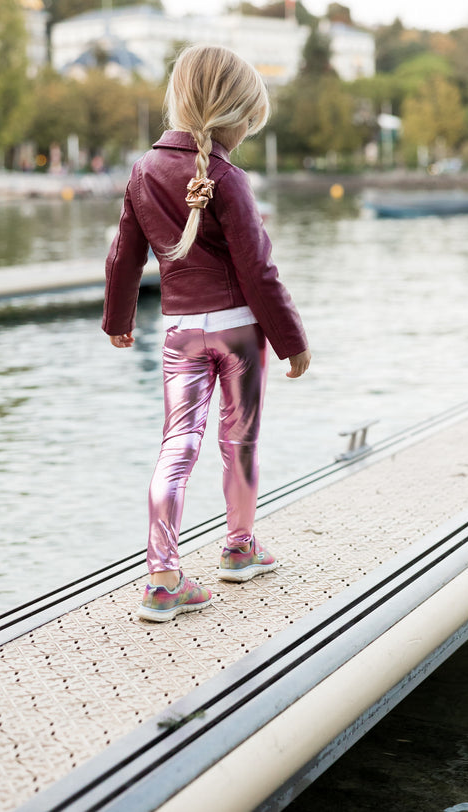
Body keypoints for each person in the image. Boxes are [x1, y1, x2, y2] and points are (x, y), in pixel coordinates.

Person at [102, 45, 310, 623]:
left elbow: (123, 256)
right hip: (240, 333)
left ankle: (162, 579)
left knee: (177, 447)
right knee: (238, 443)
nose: (245, 134)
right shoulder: (229, 177)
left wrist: (119, 319)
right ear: (232, 117)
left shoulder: (144, 171)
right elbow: (258, 270)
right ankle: (239, 548)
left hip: (180, 333)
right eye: (247, 122)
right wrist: (291, 340)